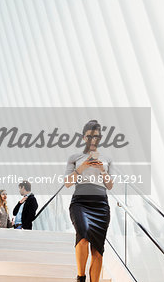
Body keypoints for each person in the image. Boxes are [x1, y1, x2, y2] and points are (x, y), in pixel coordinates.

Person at [65, 120, 115, 282]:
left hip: (100, 203)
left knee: (98, 249)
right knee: (83, 236)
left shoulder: (107, 159)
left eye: (97, 137)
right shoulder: (74, 157)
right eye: (90, 136)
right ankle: (81, 277)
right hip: (80, 201)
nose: (94, 140)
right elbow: (67, 183)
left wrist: (102, 169)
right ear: (83, 137)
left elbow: (110, 185)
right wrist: (82, 167)